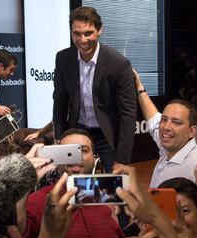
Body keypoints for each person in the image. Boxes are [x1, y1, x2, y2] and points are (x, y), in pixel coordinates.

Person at [133, 68, 197, 229]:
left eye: (176, 122)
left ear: (192, 131)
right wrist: (139, 86)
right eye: (165, 119)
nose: (166, 127)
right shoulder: (172, 146)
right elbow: (153, 118)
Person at [52, 6, 137, 173]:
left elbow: (128, 114)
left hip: (107, 134)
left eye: (88, 33)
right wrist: (60, 138)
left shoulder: (119, 64)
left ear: (99, 30)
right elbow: (59, 101)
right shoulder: (63, 58)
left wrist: (123, 159)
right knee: (70, 180)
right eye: (77, 33)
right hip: (77, 130)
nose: (82, 40)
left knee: (115, 184)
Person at [17, 128, 124, 238]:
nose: (76, 158)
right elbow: (19, 230)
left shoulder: (105, 197)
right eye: (68, 152)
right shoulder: (42, 199)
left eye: (83, 150)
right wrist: (23, 185)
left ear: (94, 158)